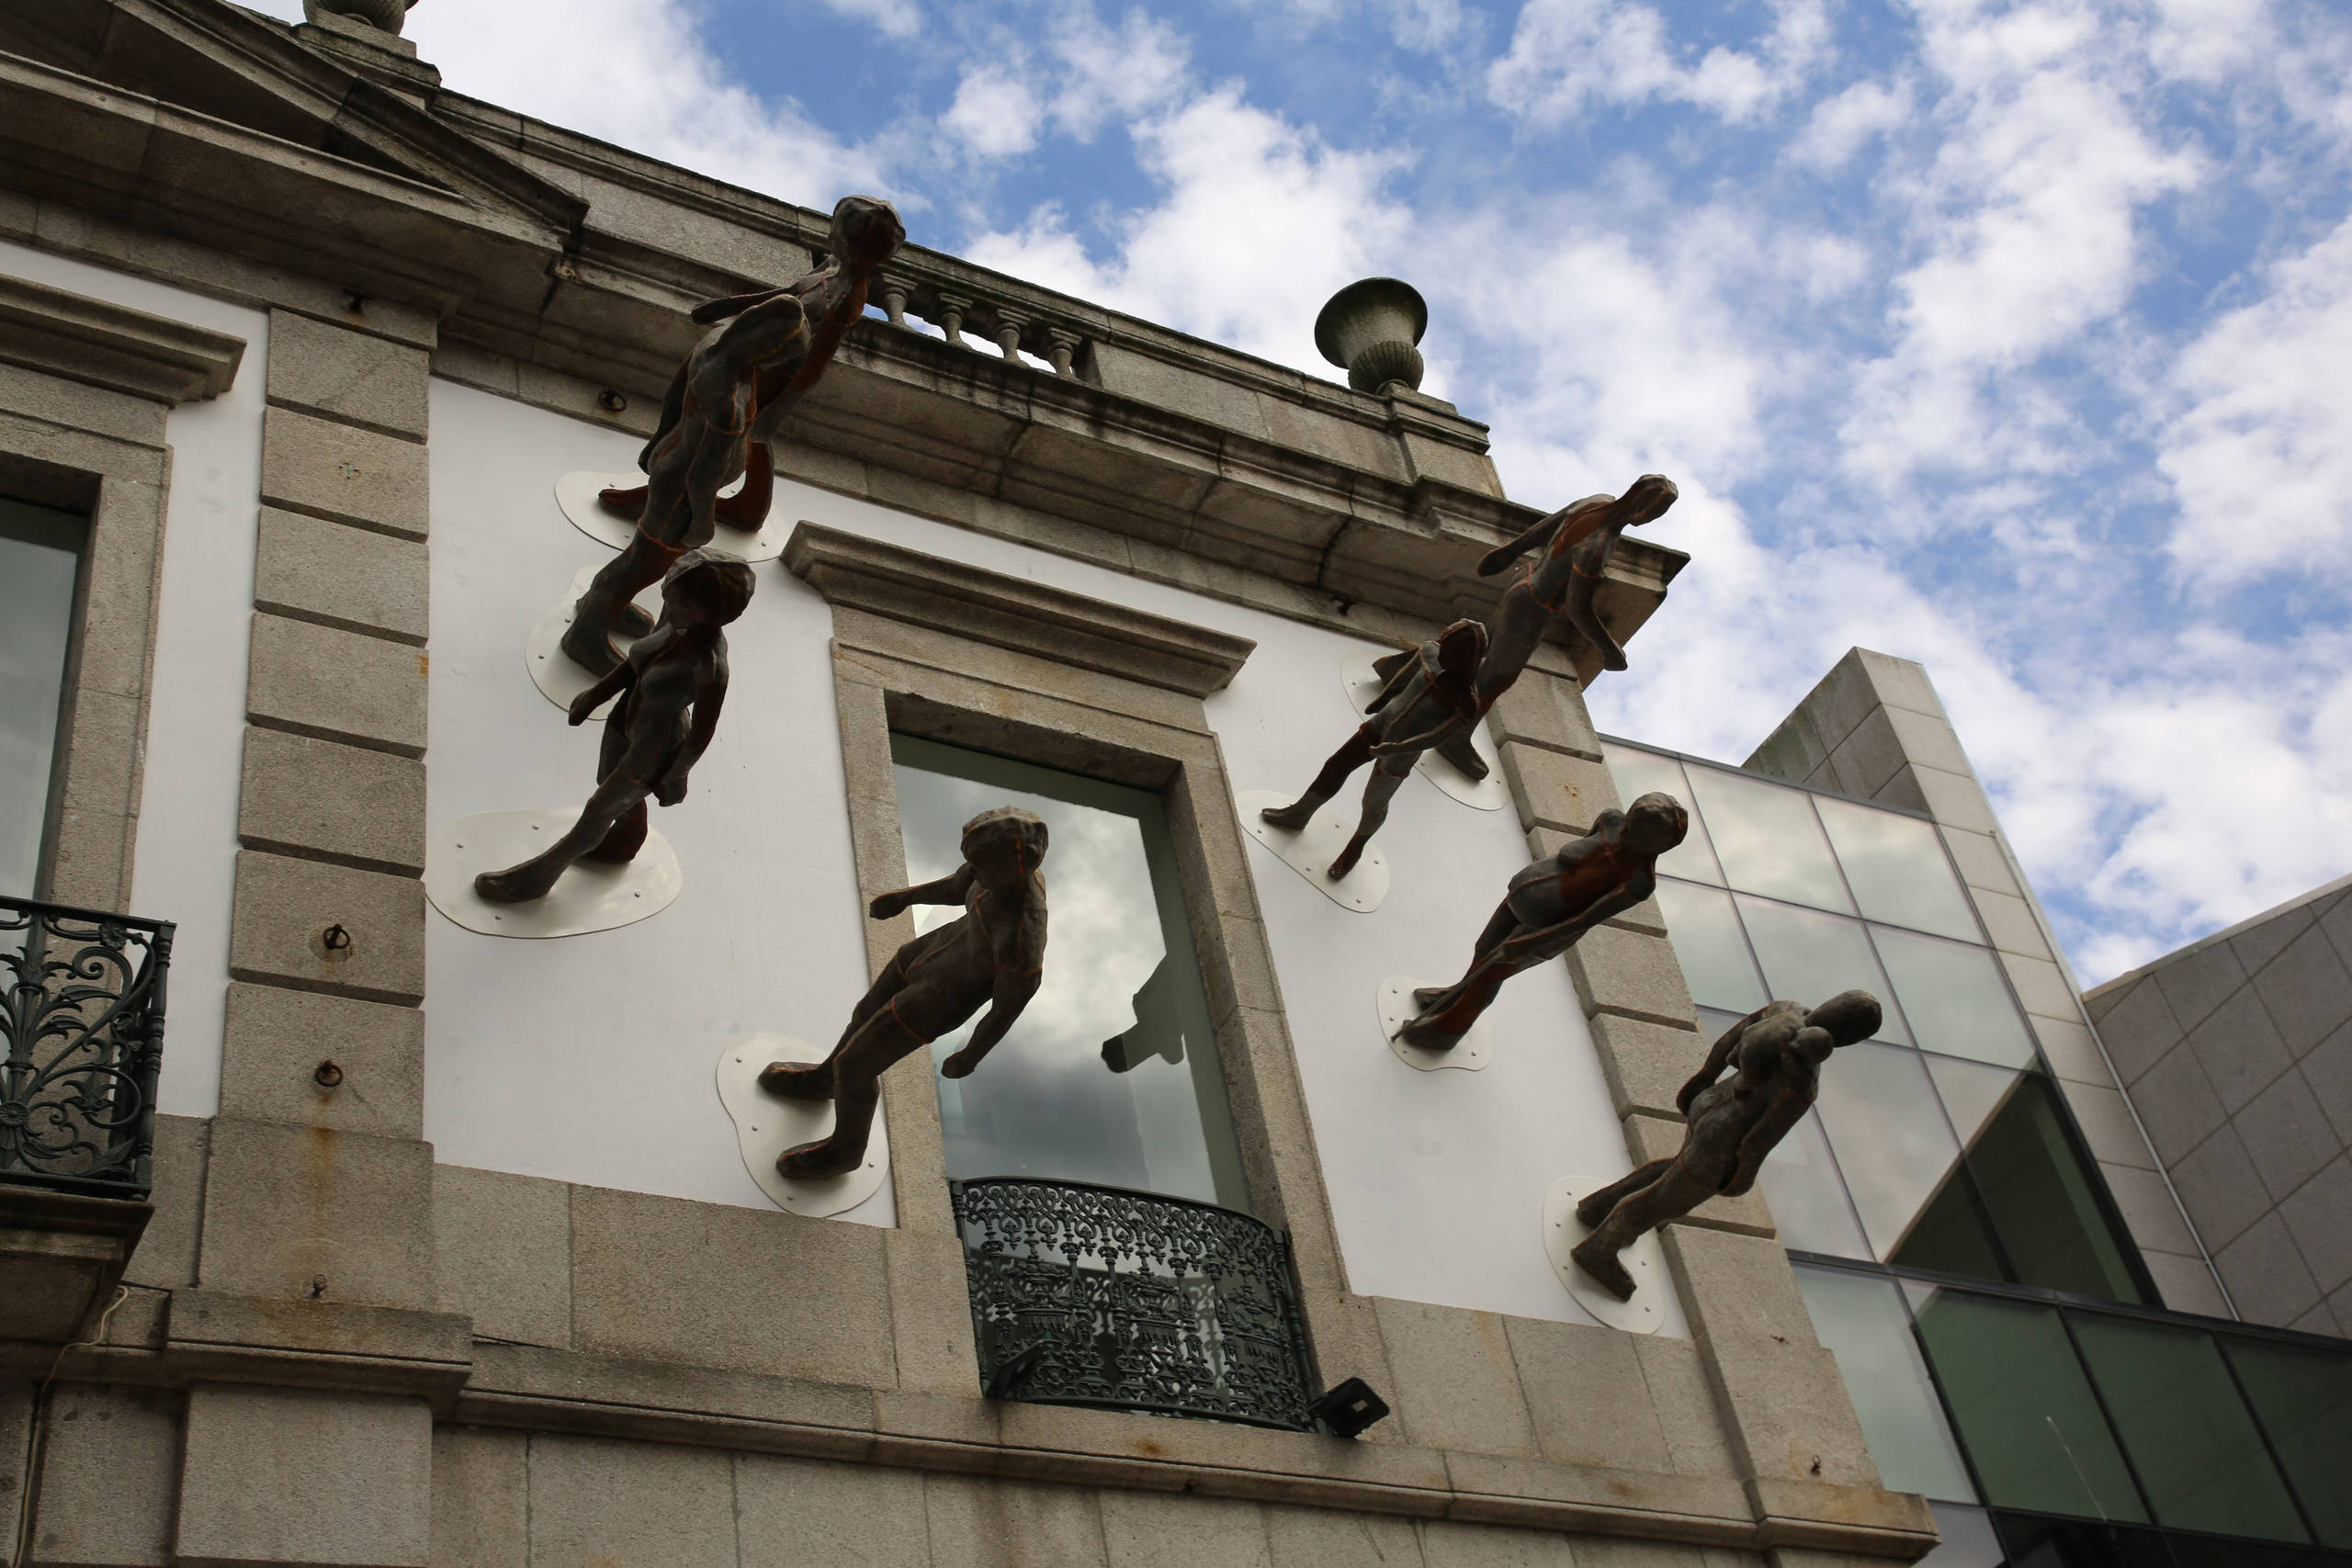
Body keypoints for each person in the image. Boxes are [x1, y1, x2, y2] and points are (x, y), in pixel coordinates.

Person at [564, 195, 905, 673]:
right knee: (654, 555)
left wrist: (760, 404)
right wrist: (703, 513)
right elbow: (709, 461)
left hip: (684, 456)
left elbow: (803, 355)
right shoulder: (731, 398)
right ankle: (587, 633)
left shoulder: (725, 357)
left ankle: (605, 605)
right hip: (689, 470)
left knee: (651, 539)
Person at [760, 807, 1049, 1180]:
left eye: (979, 867)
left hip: (941, 997)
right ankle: (824, 1081)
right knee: (864, 1012)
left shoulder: (1022, 933)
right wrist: (904, 898)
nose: (972, 872)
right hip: (929, 953)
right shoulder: (994, 870)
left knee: (858, 1064)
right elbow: (955, 886)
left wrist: (971, 1054)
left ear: (1014, 869)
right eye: (969, 861)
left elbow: (1010, 1004)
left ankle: (844, 1151)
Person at [478, 549, 754, 903]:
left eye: (680, 602)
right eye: (669, 594)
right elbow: (635, 665)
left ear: (715, 613)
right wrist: (595, 695)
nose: (669, 604)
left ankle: (535, 879)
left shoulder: (711, 666)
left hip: (654, 747)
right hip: (624, 721)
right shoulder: (675, 619)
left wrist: (677, 775)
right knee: (605, 788)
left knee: (598, 809)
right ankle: (623, 843)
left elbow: (703, 731)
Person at [1570, 991, 1883, 1300]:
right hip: (1722, 1139)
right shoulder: (1801, 1082)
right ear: (1848, 1038)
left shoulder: (1786, 1009)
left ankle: (1597, 1207)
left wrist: (1704, 1076)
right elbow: (1759, 1138)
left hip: (1709, 1104)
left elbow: (1729, 1041)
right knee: (1667, 1199)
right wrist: (1742, 1177)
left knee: (1674, 1168)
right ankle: (1600, 1250)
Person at [1396, 792, 1687, 1051]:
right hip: (1525, 895)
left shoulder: (1638, 882)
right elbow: (1576, 852)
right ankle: (1454, 996)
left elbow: (1586, 918)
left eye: (1635, 832)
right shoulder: (1611, 820)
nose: (1626, 830)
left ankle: (1449, 1029)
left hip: (1545, 927)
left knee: (1489, 975)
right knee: (1483, 947)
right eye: (1630, 822)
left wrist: (1530, 941)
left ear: (1655, 846)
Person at [1261, 619, 1487, 879]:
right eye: (1443, 650)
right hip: (1377, 728)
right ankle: (1299, 814)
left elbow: (1436, 737)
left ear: (1465, 662)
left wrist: (1397, 747)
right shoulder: (1430, 653)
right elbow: (1402, 677)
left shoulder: (1466, 702)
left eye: (1450, 656)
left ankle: (1355, 848)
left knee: (1374, 804)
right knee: (1335, 766)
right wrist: (1381, 700)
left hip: (1400, 753)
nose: (1443, 658)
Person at [1471, 472, 1679, 700]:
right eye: (1654, 512)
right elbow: (1577, 607)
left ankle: (1438, 680)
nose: (1648, 518)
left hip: (1525, 577)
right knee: (1495, 678)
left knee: (1479, 645)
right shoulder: (1596, 546)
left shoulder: (1596, 500)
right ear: (1642, 508)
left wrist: (1509, 552)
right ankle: (1457, 727)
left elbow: (1546, 527)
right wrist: (1608, 649)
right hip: (1534, 605)